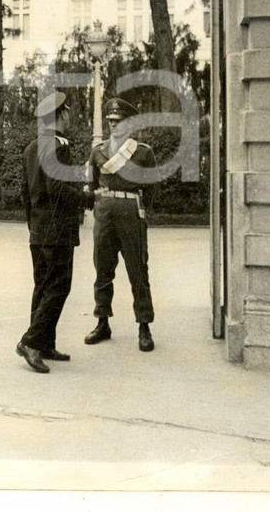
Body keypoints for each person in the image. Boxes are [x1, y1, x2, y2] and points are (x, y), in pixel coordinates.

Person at [16, 91, 96, 374]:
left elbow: (26, 193)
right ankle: (31, 342)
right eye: (68, 110)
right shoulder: (59, 145)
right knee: (59, 286)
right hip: (57, 230)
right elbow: (57, 188)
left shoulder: (31, 148)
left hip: (39, 230)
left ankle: (44, 344)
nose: (70, 115)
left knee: (42, 286)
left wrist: (33, 225)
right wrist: (87, 199)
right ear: (61, 114)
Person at [85, 97, 158, 352]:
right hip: (104, 214)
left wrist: (140, 211)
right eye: (111, 121)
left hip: (130, 213)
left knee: (138, 270)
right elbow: (93, 184)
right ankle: (102, 322)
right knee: (102, 270)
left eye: (118, 121)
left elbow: (151, 187)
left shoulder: (142, 152)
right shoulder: (98, 151)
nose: (113, 124)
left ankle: (144, 326)